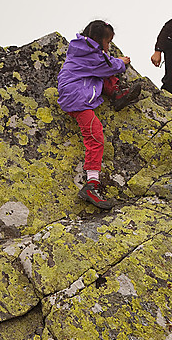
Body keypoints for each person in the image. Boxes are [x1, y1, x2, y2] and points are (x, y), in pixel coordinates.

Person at [57, 20, 141, 209]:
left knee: (102, 73)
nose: (109, 46)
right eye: (108, 42)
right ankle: (91, 184)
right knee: (95, 136)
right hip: (77, 99)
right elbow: (111, 66)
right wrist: (122, 62)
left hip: (76, 89)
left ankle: (118, 93)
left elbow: (102, 65)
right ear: (98, 39)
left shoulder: (83, 49)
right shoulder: (91, 56)